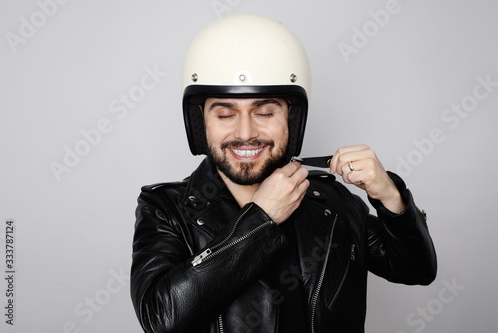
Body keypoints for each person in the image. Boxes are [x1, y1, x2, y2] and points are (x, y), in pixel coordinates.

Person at [130, 13, 437, 333]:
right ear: (200, 123)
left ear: (292, 120)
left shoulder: (331, 201)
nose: (246, 132)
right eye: (224, 113)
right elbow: (160, 318)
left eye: (264, 112)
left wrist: (389, 194)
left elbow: (416, 269)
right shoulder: (166, 208)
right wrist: (261, 218)